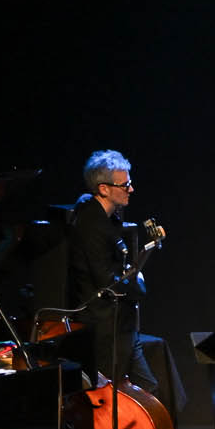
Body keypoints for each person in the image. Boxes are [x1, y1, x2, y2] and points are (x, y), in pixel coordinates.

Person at [64, 151, 181, 413]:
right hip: (106, 326)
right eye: (125, 184)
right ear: (103, 189)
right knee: (110, 398)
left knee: (148, 389)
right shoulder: (90, 224)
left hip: (122, 325)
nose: (131, 189)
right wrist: (135, 282)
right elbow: (105, 281)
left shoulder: (109, 218)